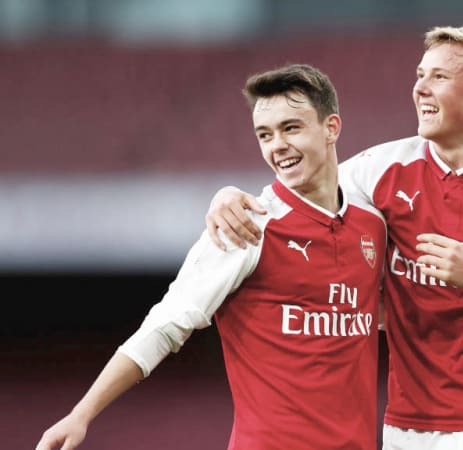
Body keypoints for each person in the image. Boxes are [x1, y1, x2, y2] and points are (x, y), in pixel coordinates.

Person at [206, 25, 463, 450]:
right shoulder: (379, 169)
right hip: (410, 435)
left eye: (439, 77)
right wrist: (230, 197)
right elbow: (297, 195)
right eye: (419, 75)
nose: (420, 89)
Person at [35, 64, 386, 450]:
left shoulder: (371, 226)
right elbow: (166, 324)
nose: (276, 146)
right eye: (264, 135)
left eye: (291, 128)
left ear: (331, 128)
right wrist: (81, 414)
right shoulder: (244, 226)